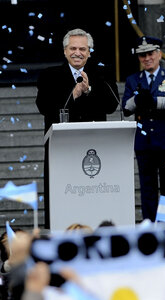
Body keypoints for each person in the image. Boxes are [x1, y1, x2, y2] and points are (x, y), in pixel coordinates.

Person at [35, 28, 119, 228]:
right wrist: (74, 94)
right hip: (62, 151)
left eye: (83, 49)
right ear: (65, 51)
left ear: (89, 52)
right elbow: (44, 107)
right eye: (73, 48)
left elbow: (112, 105)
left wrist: (89, 90)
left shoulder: (102, 74)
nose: (77, 53)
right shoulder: (49, 76)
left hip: (95, 148)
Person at [122, 36, 165, 222]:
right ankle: (150, 226)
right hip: (144, 142)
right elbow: (125, 108)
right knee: (147, 188)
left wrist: (155, 102)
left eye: (150, 54)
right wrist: (136, 100)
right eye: (142, 55)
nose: (147, 58)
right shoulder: (133, 80)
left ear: (159, 54)